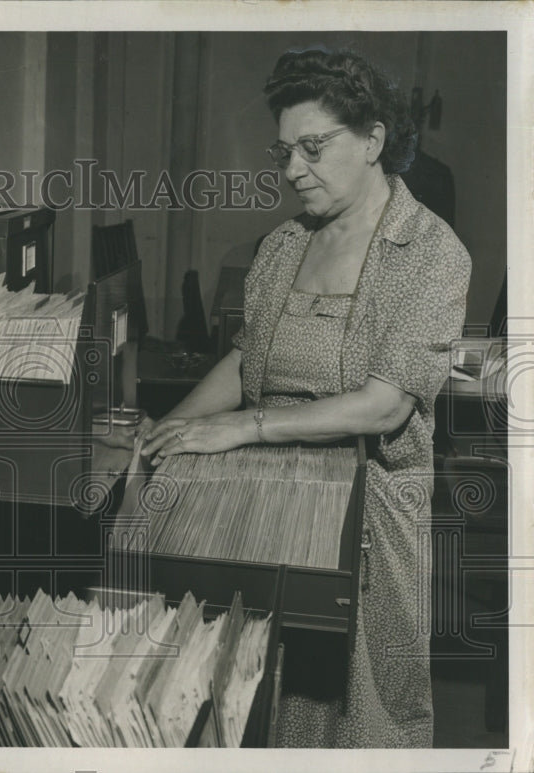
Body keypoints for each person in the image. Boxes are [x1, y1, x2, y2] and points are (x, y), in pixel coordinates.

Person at [139, 48, 471, 747]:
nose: (293, 169)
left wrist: (242, 428)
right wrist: (169, 427)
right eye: (285, 150)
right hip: (267, 505)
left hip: (370, 526)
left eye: (314, 147)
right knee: (254, 696)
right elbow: (245, 357)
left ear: (375, 139)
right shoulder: (285, 245)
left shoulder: (432, 251)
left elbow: (384, 405)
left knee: (357, 717)